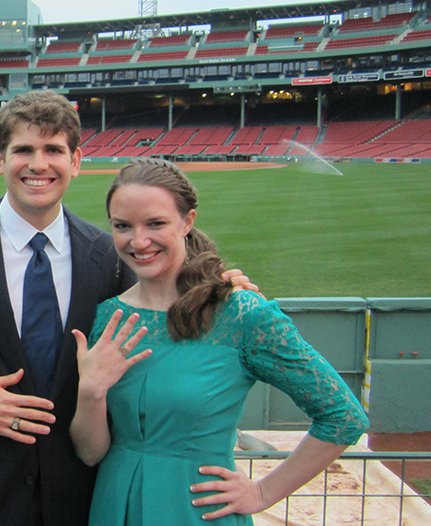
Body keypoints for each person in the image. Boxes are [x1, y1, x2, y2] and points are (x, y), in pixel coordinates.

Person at [0, 91, 254, 526]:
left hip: (79, 497)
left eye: (53, 150)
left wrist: (219, 290)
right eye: (23, 150)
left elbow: (165, 305)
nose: (39, 164)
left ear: (77, 161)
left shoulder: (109, 256)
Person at [70, 157, 368, 525]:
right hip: (116, 506)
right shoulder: (108, 317)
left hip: (197, 509)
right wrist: (91, 392)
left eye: (156, 223)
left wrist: (263, 492)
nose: (139, 240)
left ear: (187, 221)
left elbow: (343, 416)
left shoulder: (241, 313)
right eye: (123, 226)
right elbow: (89, 453)